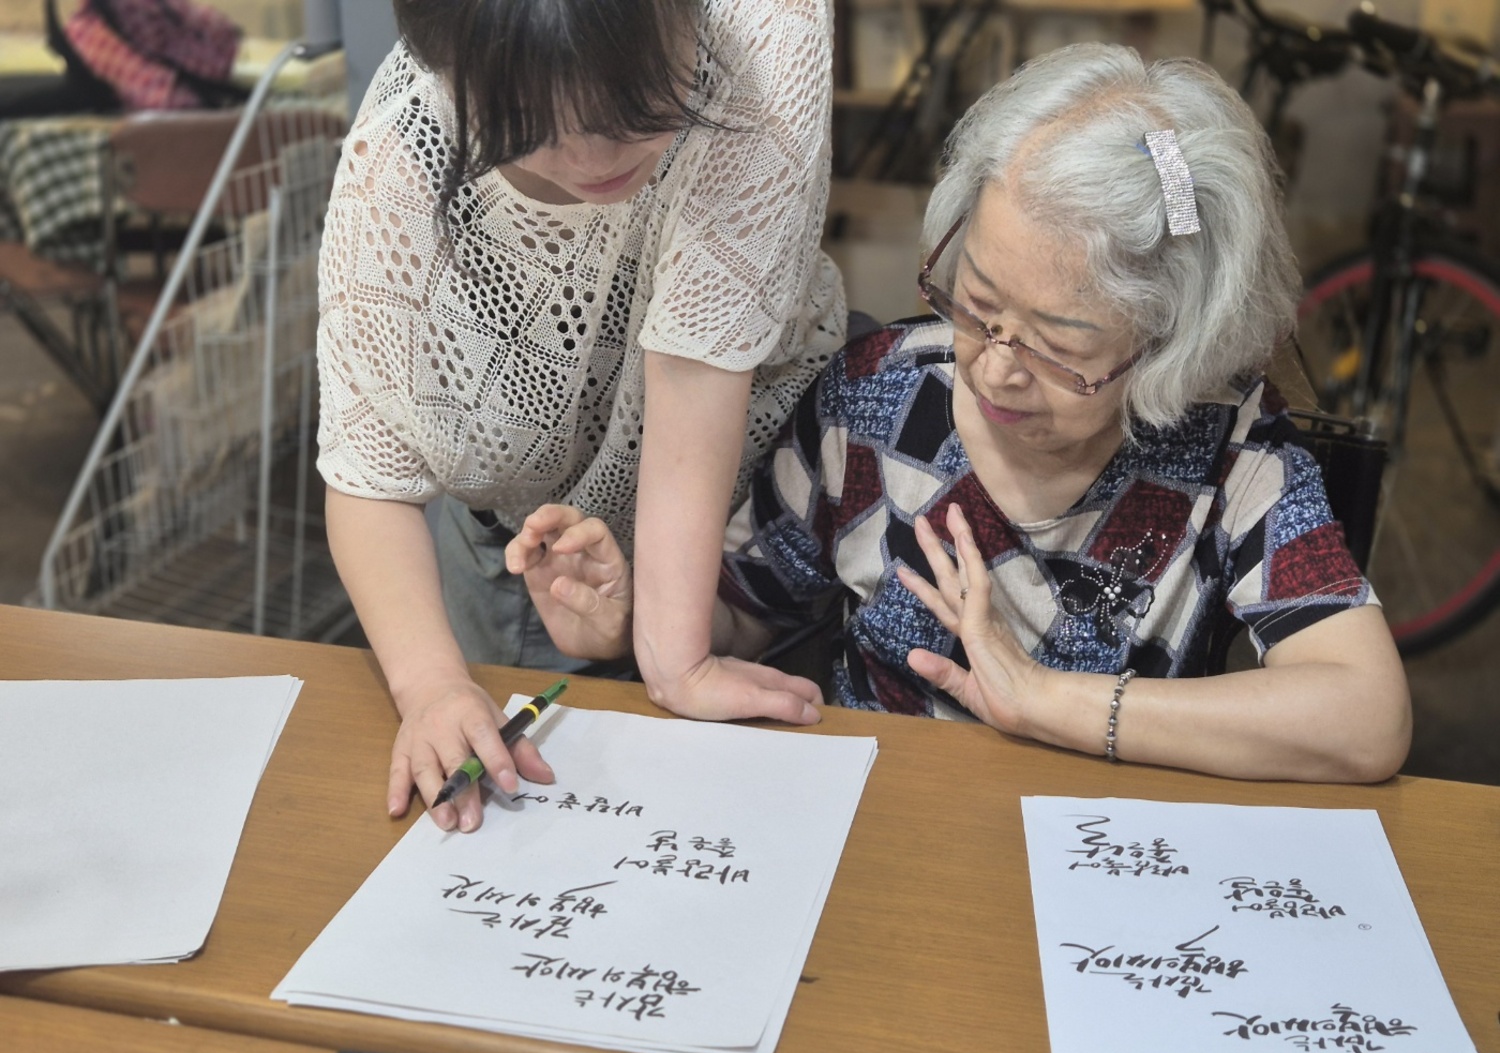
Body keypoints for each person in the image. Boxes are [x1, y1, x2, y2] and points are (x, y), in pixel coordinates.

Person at [507, 42, 1411, 783]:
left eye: (1060, 346)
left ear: (1173, 344)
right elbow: (748, 609)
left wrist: (1043, 700)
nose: (997, 368)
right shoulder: (881, 395)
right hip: (871, 834)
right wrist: (629, 616)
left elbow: (1365, 718)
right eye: (977, 302)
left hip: (1095, 858)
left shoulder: (1232, 453)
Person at [317, 0, 844, 832]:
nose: (598, 160)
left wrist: (675, 657)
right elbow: (369, 475)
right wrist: (430, 684)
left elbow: (694, 358)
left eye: (636, 109)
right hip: (525, 538)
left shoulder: (765, 30)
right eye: (532, 128)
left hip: (754, 505)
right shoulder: (398, 168)